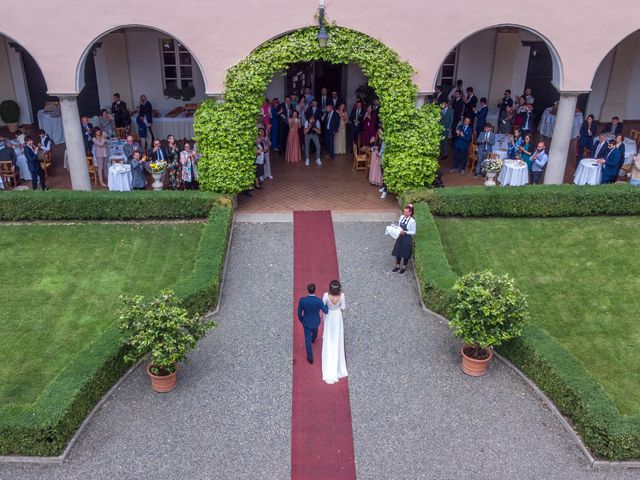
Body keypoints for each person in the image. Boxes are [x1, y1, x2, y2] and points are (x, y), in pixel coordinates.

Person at [322, 280, 348, 384]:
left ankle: (329, 350)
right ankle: (337, 354)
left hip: (329, 315)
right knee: (337, 335)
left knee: (329, 334)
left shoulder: (325, 295)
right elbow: (343, 307)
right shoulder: (341, 296)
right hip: (337, 315)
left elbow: (323, 306)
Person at [297, 283, 329, 364]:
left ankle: (310, 358)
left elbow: (299, 313)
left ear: (307, 290)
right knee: (315, 331)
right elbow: (326, 311)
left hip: (306, 322)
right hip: (316, 321)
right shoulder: (318, 301)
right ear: (315, 290)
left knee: (307, 339)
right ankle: (314, 338)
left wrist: (302, 320)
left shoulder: (302, 300)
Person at [391, 204, 416, 274]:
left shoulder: (412, 221)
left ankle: (404, 267)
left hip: (407, 238)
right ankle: (397, 266)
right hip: (400, 237)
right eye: (404, 212)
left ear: (410, 212)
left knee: (405, 253)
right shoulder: (402, 217)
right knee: (398, 251)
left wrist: (405, 232)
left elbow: (413, 232)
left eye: (406, 212)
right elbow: (400, 226)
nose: (405, 213)